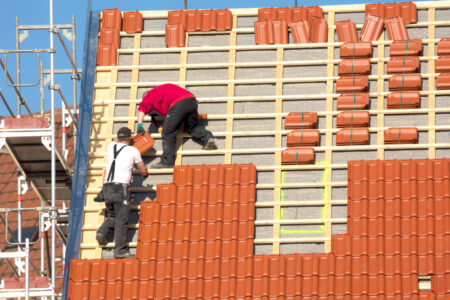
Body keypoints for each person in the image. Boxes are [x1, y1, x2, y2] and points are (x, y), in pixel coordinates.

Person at [96, 127, 149, 258]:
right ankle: (120, 250)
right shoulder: (133, 150)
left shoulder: (111, 146)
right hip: (120, 189)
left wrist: (124, 138)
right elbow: (142, 169)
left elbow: (116, 139)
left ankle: (102, 233)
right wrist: (145, 174)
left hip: (106, 188)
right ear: (130, 138)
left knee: (112, 215)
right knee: (121, 220)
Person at [136, 83, 216, 168]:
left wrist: (140, 124)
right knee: (192, 127)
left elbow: (142, 107)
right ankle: (208, 138)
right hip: (192, 101)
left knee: (167, 133)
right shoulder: (165, 88)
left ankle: (167, 161)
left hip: (178, 104)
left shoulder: (149, 95)